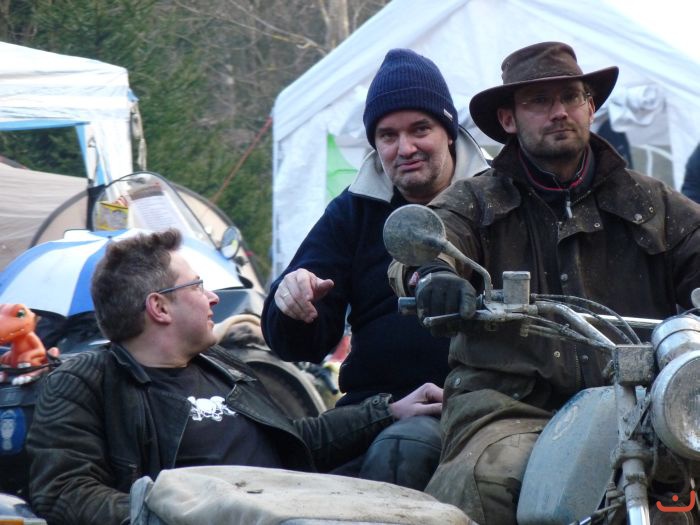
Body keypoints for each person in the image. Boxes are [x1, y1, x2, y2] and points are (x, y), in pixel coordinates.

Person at [389, 42, 700, 524]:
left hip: (640, 403)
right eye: (539, 100)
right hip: (508, 408)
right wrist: (434, 275)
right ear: (508, 119)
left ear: (590, 107)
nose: (559, 112)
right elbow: (428, 243)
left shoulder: (651, 203)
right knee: (486, 481)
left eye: (571, 97)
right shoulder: (477, 200)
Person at [26, 229, 443, 525]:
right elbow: (64, 491)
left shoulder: (221, 365)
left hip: (299, 508)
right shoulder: (85, 381)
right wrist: (175, 512)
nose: (212, 298)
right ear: (159, 307)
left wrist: (389, 411)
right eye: (197, 286)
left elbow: (295, 440)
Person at [261, 48, 489, 489]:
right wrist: (292, 303)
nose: (405, 148)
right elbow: (301, 344)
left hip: (487, 408)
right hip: (377, 410)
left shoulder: (497, 200)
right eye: (388, 135)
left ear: (448, 132)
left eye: (419, 129)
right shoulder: (354, 211)